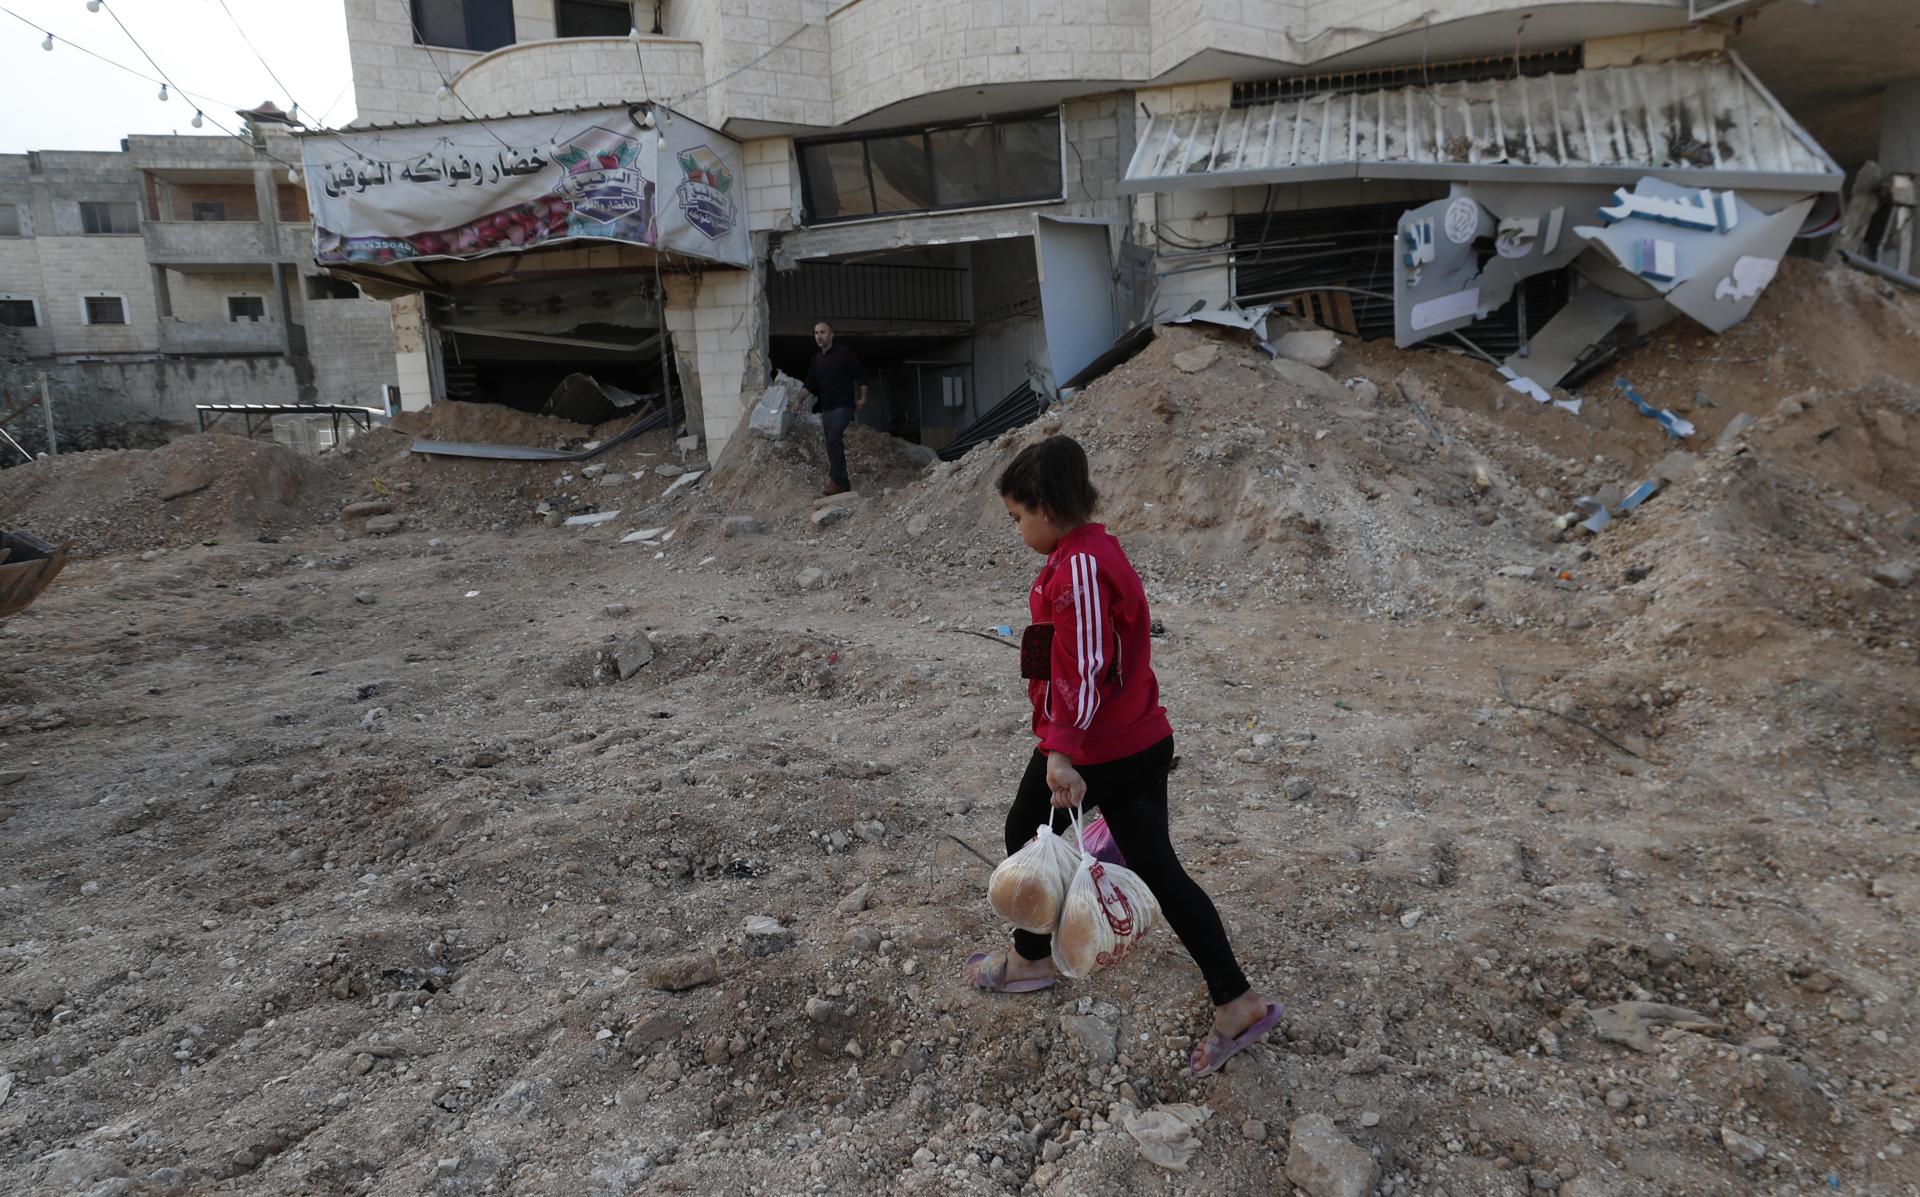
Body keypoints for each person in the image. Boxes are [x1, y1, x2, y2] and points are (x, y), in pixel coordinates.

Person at [964, 435, 1282, 1077]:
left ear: (1047, 509)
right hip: (1125, 738)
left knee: (1026, 834)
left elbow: (1083, 670)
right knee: (1154, 865)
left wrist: (1059, 751)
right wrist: (1037, 703)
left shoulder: (1078, 567)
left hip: (1099, 746)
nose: (1017, 529)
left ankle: (1032, 958)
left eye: (1018, 517)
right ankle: (1235, 998)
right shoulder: (1078, 557)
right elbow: (1050, 648)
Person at [796, 321, 869, 497]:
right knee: (831, 444)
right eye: (816, 333)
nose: (819, 336)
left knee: (833, 438)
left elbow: (861, 374)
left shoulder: (844, 353)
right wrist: (797, 401)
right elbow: (809, 383)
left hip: (844, 406)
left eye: (823, 332)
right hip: (827, 409)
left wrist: (863, 398)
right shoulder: (816, 359)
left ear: (831, 335)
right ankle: (843, 483)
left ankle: (837, 481)